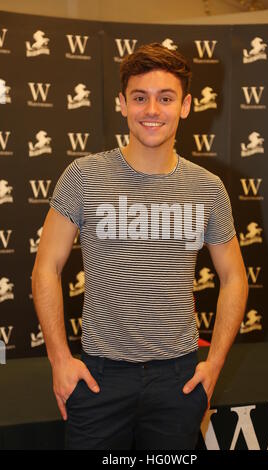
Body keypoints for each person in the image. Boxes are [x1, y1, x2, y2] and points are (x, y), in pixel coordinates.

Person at [32, 43, 248, 450]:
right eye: (140, 97)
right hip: (99, 378)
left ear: (185, 106)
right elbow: (46, 266)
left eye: (165, 98)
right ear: (122, 103)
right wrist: (60, 360)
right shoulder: (83, 176)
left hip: (178, 381)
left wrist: (215, 364)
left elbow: (235, 277)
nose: (152, 110)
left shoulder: (208, 188)